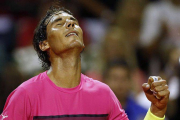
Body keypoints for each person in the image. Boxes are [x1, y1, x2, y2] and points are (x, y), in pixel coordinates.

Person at [0, 6, 169, 120]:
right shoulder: (25, 95)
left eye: (74, 22)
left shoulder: (103, 93)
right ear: (45, 44)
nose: (71, 24)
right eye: (60, 24)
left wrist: (157, 111)